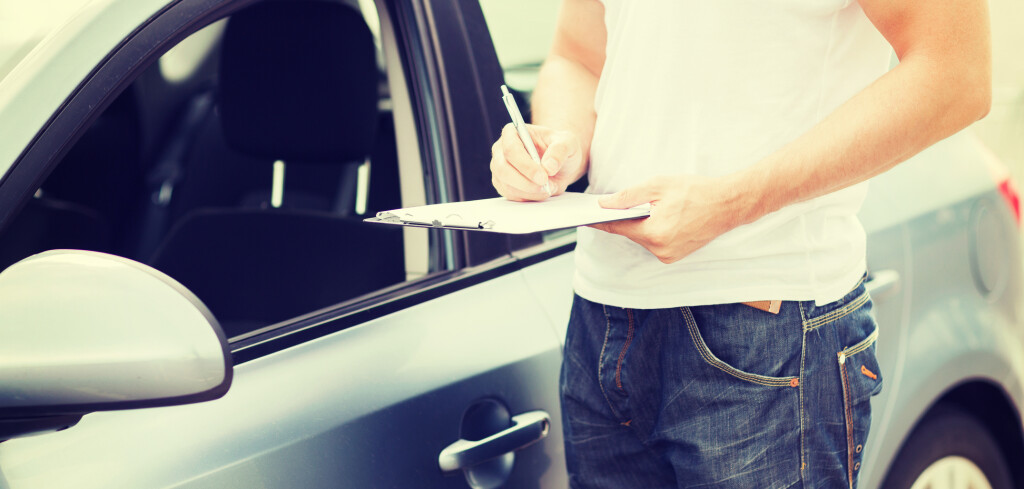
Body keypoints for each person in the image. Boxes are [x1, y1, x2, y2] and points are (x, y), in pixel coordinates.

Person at [489, 0, 991, 488]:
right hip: (601, 317)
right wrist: (556, 145)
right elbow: (576, 56)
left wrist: (733, 201)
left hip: (766, 328)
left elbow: (956, 71)